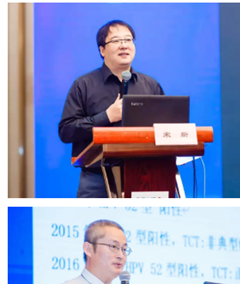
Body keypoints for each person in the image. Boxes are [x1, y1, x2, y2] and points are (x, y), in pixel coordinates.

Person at [58, 21, 164, 198]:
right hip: (97, 179)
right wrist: (106, 116)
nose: (124, 45)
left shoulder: (150, 85)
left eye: (128, 39)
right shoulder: (84, 85)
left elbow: (165, 129)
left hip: (145, 175)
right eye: (116, 40)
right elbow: (66, 131)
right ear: (102, 50)